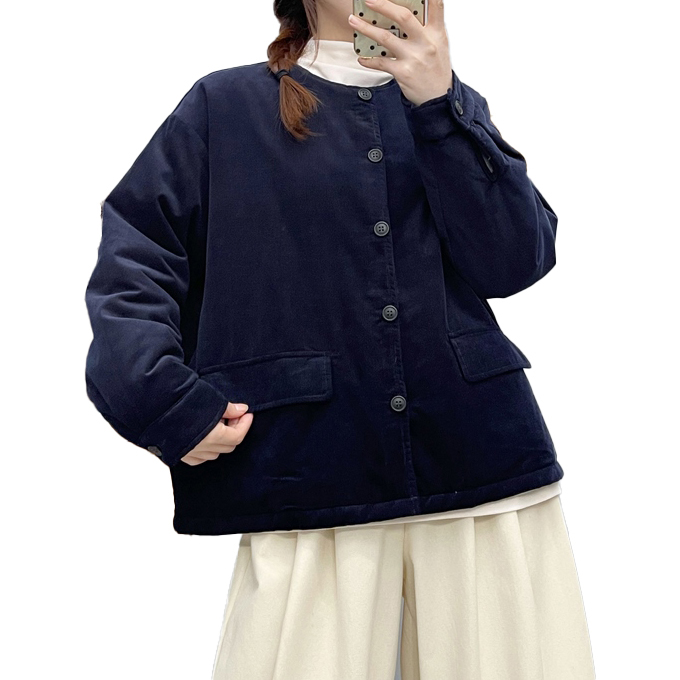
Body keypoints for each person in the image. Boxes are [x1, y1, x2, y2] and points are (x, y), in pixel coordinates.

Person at [84, 1, 596, 678]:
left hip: (483, 483)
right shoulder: (223, 106)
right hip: (306, 484)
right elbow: (135, 264)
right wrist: (165, 404)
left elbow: (516, 260)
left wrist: (440, 106)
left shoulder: (445, 103)